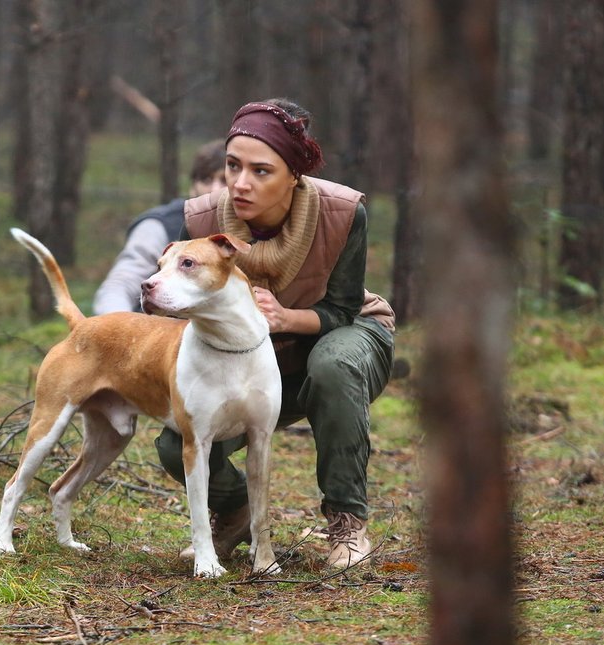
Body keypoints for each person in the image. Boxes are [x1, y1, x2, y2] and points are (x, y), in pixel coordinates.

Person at [158, 98, 396, 569]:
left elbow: (344, 308)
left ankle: (347, 522)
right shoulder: (201, 220)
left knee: (334, 366)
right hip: (246, 355)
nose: (241, 183)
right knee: (172, 441)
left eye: (261, 171)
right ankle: (235, 512)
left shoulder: (343, 212)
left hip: (343, 333)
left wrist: (284, 319)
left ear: (294, 176)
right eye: (232, 166)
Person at [92, 140, 226, 314]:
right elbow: (120, 284)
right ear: (193, 186)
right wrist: (118, 330)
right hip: (150, 333)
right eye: (206, 179)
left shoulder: (254, 231)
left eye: (224, 180)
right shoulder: (159, 225)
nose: (215, 188)